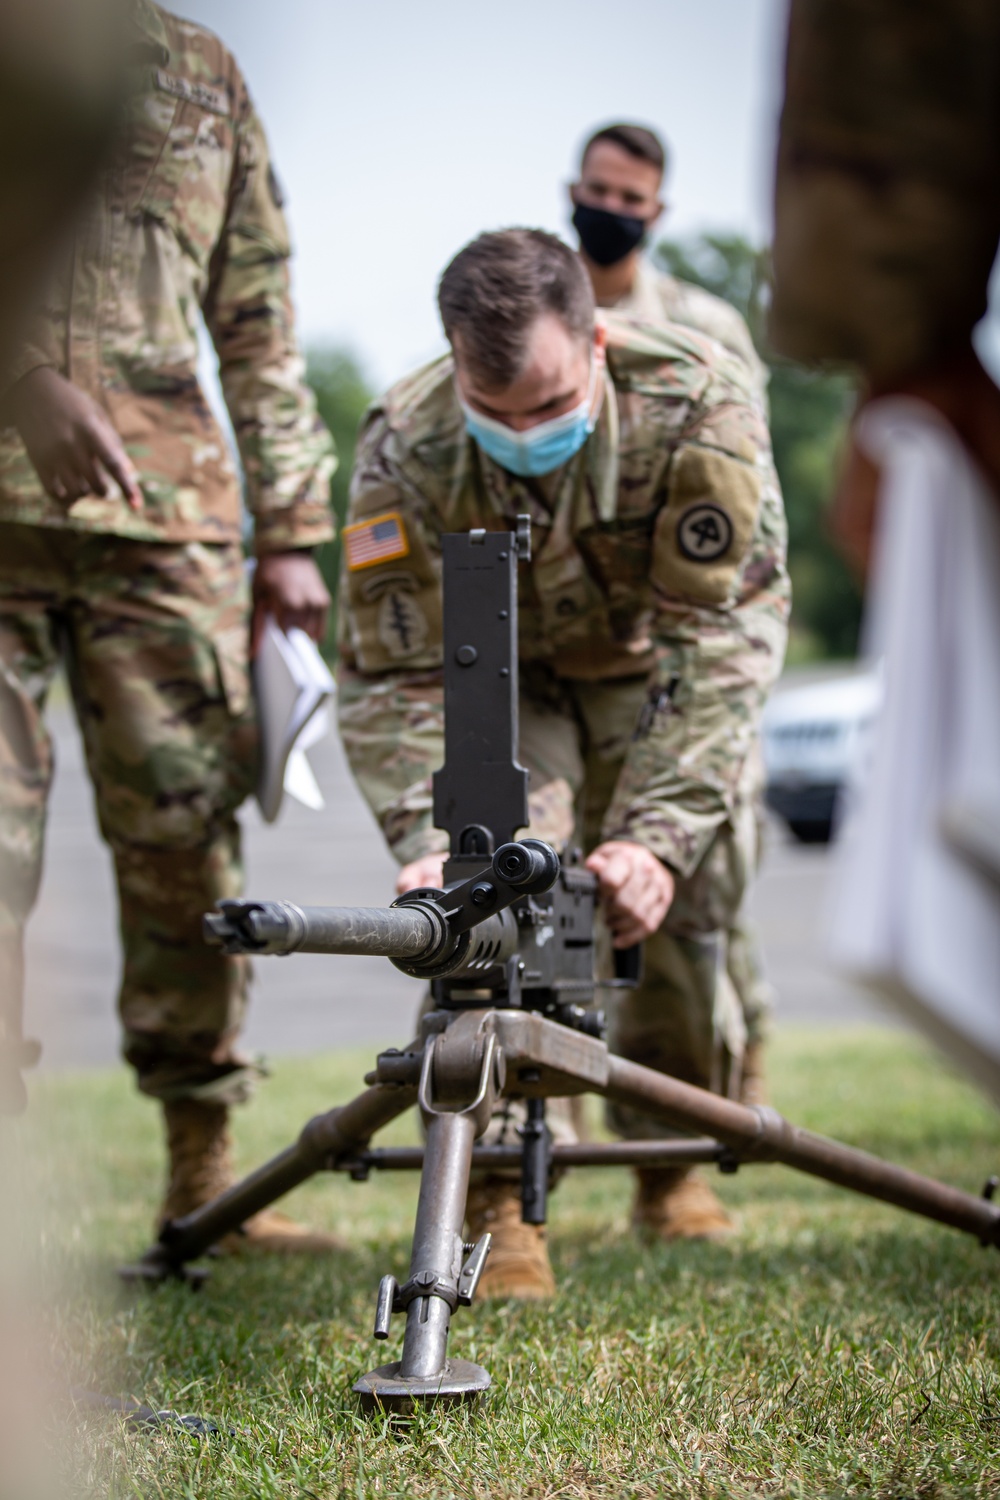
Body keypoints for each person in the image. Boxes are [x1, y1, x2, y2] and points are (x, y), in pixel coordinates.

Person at [338, 229, 790, 1297]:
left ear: (595, 340)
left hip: (655, 661)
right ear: (455, 364)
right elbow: (388, 669)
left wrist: (659, 837)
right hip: (504, 678)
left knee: (671, 895)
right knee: (493, 888)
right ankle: (491, 1189)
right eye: (494, 415)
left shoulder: (696, 400)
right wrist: (424, 834)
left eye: (548, 408)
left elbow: (726, 638)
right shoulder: (405, 442)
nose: (522, 436)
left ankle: (670, 1158)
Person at [0, 1, 342, 1252]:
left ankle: (204, 1179)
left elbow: (257, 312)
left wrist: (295, 532)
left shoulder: (201, 69)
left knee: (187, 848)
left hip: (168, 524)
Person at [570, 121, 774, 1097]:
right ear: (572, 187)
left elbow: (744, 490)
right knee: (572, 892)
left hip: (683, 638)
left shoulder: (707, 326)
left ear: (657, 213)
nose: (607, 211)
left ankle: (728, 1086)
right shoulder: (538, 308)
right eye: (595, 191)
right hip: (570, 644)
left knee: (711, 874)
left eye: (628, 200)